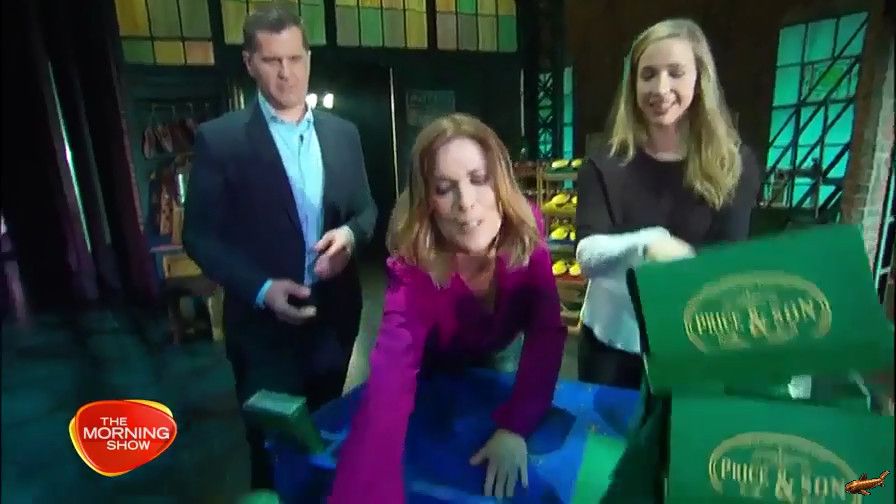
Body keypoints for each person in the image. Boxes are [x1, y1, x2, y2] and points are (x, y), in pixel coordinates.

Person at [182, 5, 376, 490]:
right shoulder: (220, 140)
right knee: (271, 448)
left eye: (295, 58)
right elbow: (199, 236)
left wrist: (350, 237)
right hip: (262, 330)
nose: (286, 72)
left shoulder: (344, 134)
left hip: (334, 318)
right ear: (250, 63)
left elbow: (368, 210)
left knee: (324, 433)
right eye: (272, 60)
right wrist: (262, 288)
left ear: (309, 58)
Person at [328, 114, 567, 503]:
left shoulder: (526, 227)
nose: (466, 203)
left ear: (500, 182)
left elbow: (545, 331)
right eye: (444, 188)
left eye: (479, 179)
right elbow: (392, 371)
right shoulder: (412, 261)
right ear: (428, 202)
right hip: (434, 362)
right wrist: (364, 491)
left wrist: (515, 426)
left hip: (500, 350)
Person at [574, 18, 763, 389]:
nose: (661, 88)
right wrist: (648, 244)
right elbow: (588, 256)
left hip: (692, 343)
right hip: (612, 347)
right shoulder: (603, 164)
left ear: (699, 79)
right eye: (648, 75)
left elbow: (727, 262)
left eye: (675, 73)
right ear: (633, 85)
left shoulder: (734, 164)